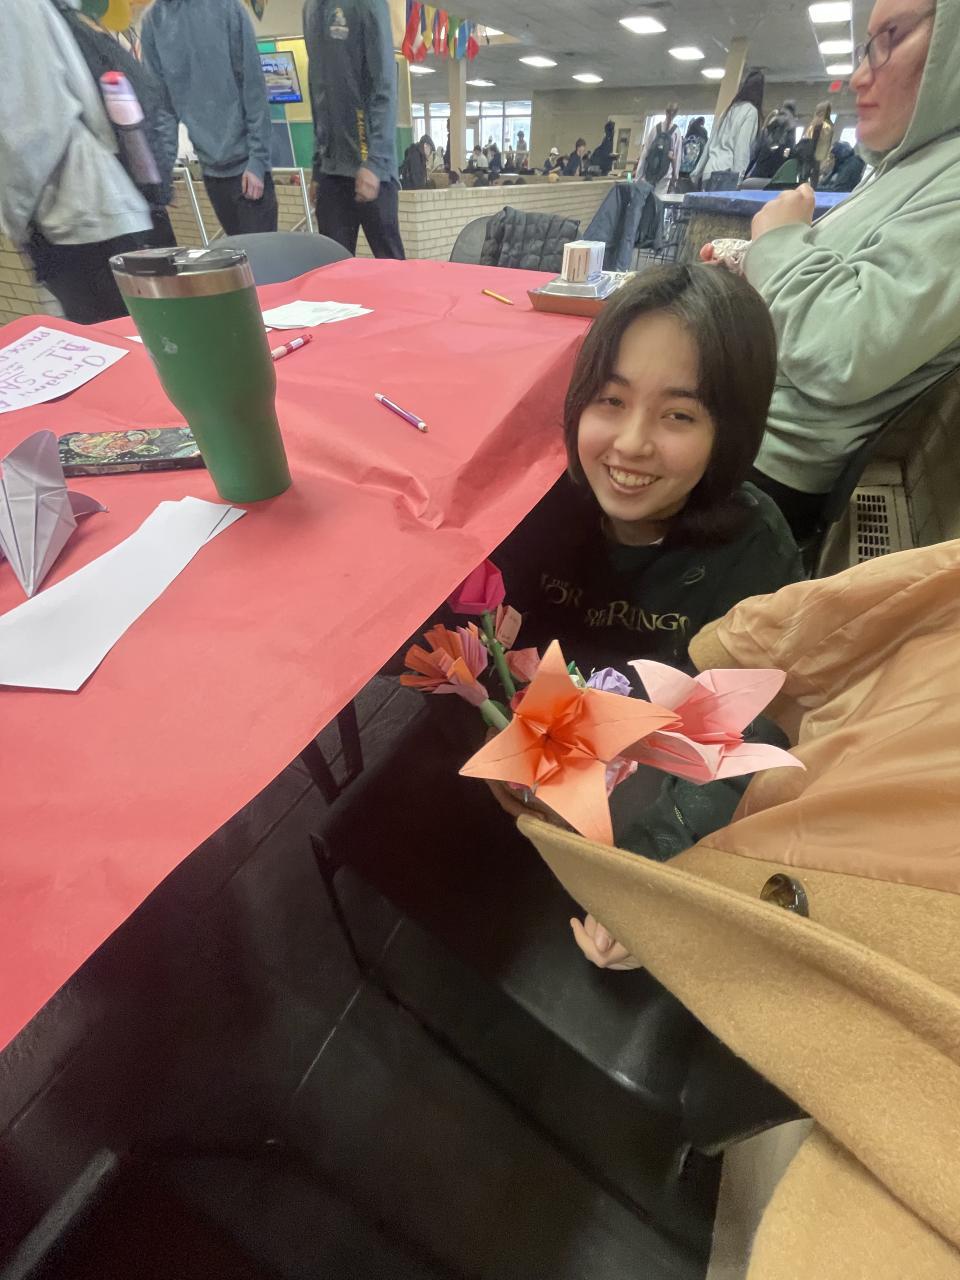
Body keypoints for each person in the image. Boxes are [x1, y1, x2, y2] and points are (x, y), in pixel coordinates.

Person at [701, 0, 960, 541]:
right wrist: (756, 263)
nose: (860, 75)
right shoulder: (913, 167)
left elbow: (841, 351)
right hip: (734, 427)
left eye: (892, 37)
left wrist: (778, 242)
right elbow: (842, 285)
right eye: (867, 47)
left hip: (761, 473)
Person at [494, 265, 801, 678]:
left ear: (732, 430)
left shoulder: (754, 554)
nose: (631, 444)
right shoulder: (537, 505)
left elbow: (749, 699)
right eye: (612, 400)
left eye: (678, 415)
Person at [0, 0, 172, 324]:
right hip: (109, 205)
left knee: (118, 345)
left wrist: (13, 218)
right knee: (149, 337)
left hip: (79, 217)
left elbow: (30, 128)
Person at [141, 0, 277, 237]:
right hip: (211, 171)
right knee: (235, 256)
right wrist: (162, 173)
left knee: (263, 258)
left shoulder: (228, 8)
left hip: (247, 167)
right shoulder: (152, 21)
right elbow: (162, 108)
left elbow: (254, 89)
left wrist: (257, 161)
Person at [302, 0, 404, 259]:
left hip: (372, 167)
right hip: (331, 171)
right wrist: (318, 167)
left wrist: (375, 162)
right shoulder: (311, 8)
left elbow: (384, 87)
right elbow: (318, 92)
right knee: (332, 267)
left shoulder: (368, 4)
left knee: (391, 267)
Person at [692, 69, 764, 188]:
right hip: (725, 173)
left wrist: (697, 171)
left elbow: (711, 142)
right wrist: (739, 178)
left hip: (709, 171)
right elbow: (741, 147)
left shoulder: (729, 109)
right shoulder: (751, 112)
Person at [635, 102, 682, 195]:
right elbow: (677, 156)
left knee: (645, 198)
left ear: (665, 111)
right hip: (665, 175)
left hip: (650, 172)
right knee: (658, 200)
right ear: (676, 114)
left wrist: (638, 175)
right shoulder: (676, 132)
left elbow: (645, 153)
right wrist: (675, 177)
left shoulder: (655, 129)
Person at [746, 100, 799, 179]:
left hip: (769, 171)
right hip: (768, 172)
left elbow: (755, 152)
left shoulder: (787, 130)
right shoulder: (771, 130)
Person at [797, 100, 834, 185]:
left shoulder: (813, 124)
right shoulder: (826, 125)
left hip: (808, 155)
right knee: (813, 179)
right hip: (817, 156)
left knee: (804, 178)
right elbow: (824, 143)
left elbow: (806, 138)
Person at [676, 116, 709, 189]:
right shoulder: (702, 141)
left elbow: (686, 161)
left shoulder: (691, 139)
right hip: (696, 176)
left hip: (685, 176)